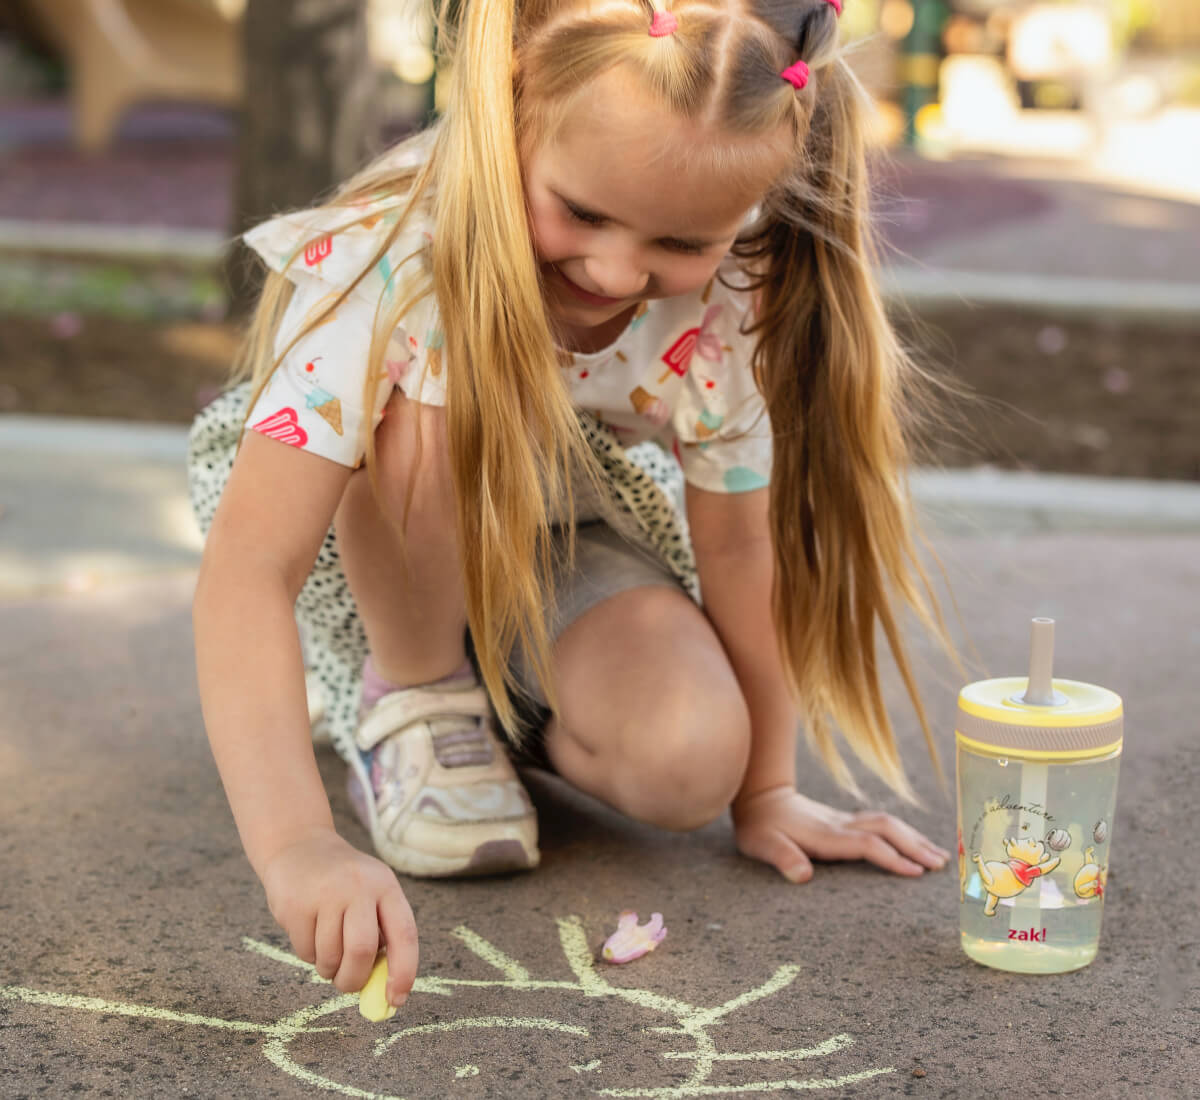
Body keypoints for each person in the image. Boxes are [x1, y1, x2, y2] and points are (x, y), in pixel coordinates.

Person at [189, 0, 954, 1015]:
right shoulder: (396, 251)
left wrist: (764, 787)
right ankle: (416, 698)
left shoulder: (724, 299)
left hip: (569, 522)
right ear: (512, 114)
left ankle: (494, 709)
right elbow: (250, 569)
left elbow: (736, 554)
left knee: (691, 763)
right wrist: (297, 845)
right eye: (583, 213)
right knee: (445, 381)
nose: (613, 271)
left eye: (678, 240)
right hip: (364, 528)